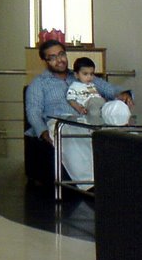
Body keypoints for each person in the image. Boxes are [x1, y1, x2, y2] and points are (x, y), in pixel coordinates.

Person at [25, 39, 134, 188]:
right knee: (72, 132)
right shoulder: (39, 84)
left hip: (90, 118)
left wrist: (121, 95)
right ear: (45, 60)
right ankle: (91, 184)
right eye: (52, 57)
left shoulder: (81, 74)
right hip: (61, 121)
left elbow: (109, 89)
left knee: (118, 115)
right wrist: (42, 132)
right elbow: (33, 111)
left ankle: (131, 175)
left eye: (61, 54)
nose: (59, 60)